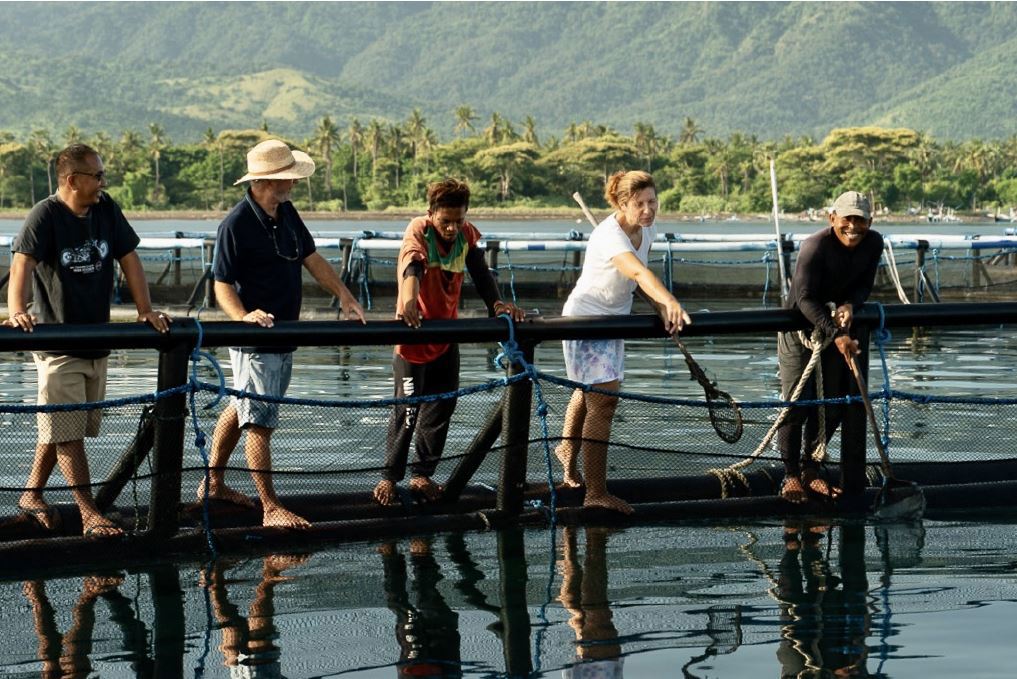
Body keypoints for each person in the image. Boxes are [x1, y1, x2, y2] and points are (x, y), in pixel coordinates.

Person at [5, 143, 171, 538]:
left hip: (96, 341)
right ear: (71, 180)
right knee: (69, 431)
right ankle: (88, 512)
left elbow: (128, 256)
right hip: (58, 345)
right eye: (96, 176)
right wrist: (17, 309)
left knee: (66, 424)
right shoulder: (44, 215)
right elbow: (21, 262)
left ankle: (31, 493)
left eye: (102, 175)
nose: (102, 182)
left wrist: (144, 309)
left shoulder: (106, 209)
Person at [201, 139, 366, 529]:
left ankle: (213, 483)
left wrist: (343, 294)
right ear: (261, 182)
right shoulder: (235, 224)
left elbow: (311, 258)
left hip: (283, 334)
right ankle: (270, 506)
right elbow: (220, 283)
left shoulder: (287, 213)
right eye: (284, 180)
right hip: (255, 338)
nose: (291, 186)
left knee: (244, 407)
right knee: (259, 421)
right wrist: (242, 316)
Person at [373, 178, 525, 506]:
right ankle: (389, 476)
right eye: (446, 221)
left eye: (459, 220)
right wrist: (409, 302)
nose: (452, 228)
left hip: (446, 339)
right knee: (407, 412)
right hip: (414, 340)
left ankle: (421, 475)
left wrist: (497, 305)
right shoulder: (420, 230)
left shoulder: (466, 235)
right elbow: (411, 266)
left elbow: (481, 273)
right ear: (431, 214)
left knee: (441, 409)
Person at [556, 170, 690, 515]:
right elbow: (638, 273)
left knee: (589, 393)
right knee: (603, 402)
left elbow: (637, 281)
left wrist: (661, 309)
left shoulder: (647, 230)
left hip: (614, 320)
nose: (648, 210)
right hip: (585, 321)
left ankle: (568, 457)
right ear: (621, 204)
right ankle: (595, 492)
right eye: (639, 204)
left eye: (652, 201)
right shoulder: (608, 235)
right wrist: (671, 300)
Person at [776, 191, 883, 505]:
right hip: (799, 331)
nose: (853, 226)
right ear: (832, 218)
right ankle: (791, 474)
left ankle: (812, 469)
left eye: (860, 220)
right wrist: (836, 331)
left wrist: (851, 303)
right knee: (798, 405)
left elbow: (864, 284)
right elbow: (805, 298)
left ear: (870, 222)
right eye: (847, 219)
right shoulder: (815, 247)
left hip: (835, 328)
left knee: (833, 406)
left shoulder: (874, 243)